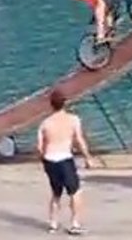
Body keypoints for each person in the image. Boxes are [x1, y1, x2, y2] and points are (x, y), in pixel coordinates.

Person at [37, 87, 94, 234]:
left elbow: (39, 147)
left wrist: (43, 160)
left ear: (51, 104)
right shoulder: (73, 120)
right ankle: (75, 224)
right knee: (75, 192)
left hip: (50, 159)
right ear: (65, 103)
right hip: (64, 158)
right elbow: (79, 140)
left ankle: (53, 224)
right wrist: (88, 158)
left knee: (56, 193)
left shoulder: (45, 123)